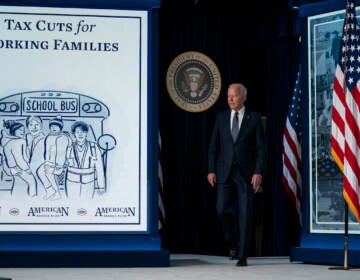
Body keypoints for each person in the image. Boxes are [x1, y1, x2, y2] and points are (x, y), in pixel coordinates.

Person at [207, 83, 266, 267]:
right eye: (228, 96)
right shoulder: (221, 117)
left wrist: (258, 172)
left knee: (245, 214)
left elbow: (261, 149)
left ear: (244, 97)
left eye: (234, 96)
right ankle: (232, 241)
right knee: (221, 209)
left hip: (246, 175)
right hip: (224, 173)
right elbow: (213, 147)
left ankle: (242, 255)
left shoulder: (254, 118)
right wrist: (211, 170)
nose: (230, 99)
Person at [65, 121, 105, 199]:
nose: (80, 134)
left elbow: (99, 168)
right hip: (72, 183)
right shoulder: (69, 147)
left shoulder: (94, 147)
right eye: (78, 132)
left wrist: (101, 187)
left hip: (88, 183)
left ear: (86, 133)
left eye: (83, 132)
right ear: (74, 134)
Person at [37, 116, 71, 200]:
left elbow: (63, 152)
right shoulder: (48, 137)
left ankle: (57, 193)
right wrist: (46, 161)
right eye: (52, 126)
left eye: (56, 126)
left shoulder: (64, 137)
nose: (54, 128)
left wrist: (60, 164)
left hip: (58, 163)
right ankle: (50, 190)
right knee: (40, 171)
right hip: (48, 162)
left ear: (60, 127)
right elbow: (47, 150)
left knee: (49, 175)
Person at [1, 120, 37, 197]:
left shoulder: (7, 142)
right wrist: (27, 169)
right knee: (32, 182)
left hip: (12, 168)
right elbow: (19, 158)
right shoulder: (20, 141)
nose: (23, 132)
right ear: (14, 130)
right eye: (20, 130)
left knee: (17, 184)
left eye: (23, 130)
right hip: (20, 168)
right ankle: (33, 199)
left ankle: (14, 199)